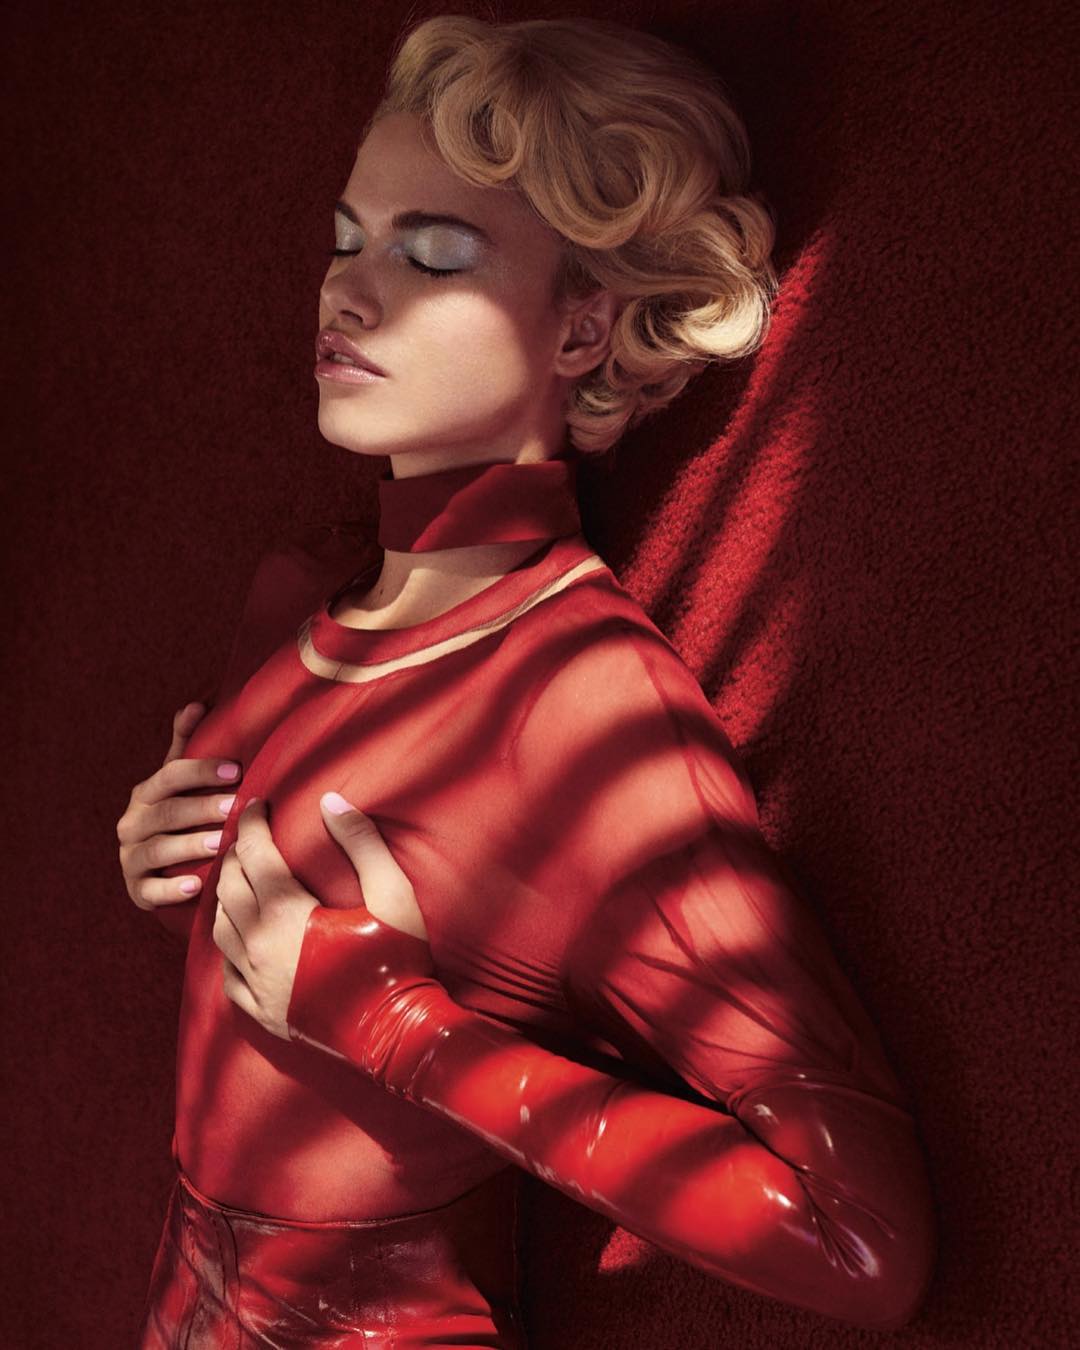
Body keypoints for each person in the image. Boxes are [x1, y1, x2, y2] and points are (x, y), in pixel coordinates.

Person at [118, 14, 935, 1347]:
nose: (348, 292)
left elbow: (866, 1245)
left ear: (583, 327)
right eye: (346, 239)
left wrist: (407, 1031)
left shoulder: (586, 710)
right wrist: (171, 876)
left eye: (432, 254)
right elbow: (276, 996)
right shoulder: (290, 608)